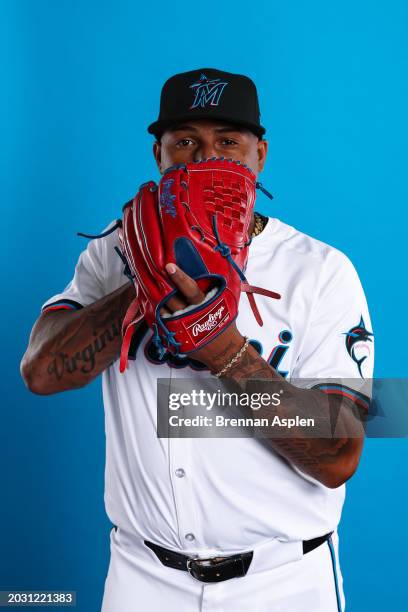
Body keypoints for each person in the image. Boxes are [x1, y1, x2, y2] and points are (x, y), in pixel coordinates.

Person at [21, 68, 374, 611]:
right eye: (184, 141)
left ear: (260, 154)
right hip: (143, 578)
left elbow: (337, 456)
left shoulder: (322, 271)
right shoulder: (113, 254)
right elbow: (41, 373)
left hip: (281, 582)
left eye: (227, 142)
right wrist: (143, 283)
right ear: (157, 156)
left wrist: (224, 349)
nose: (204, 158)